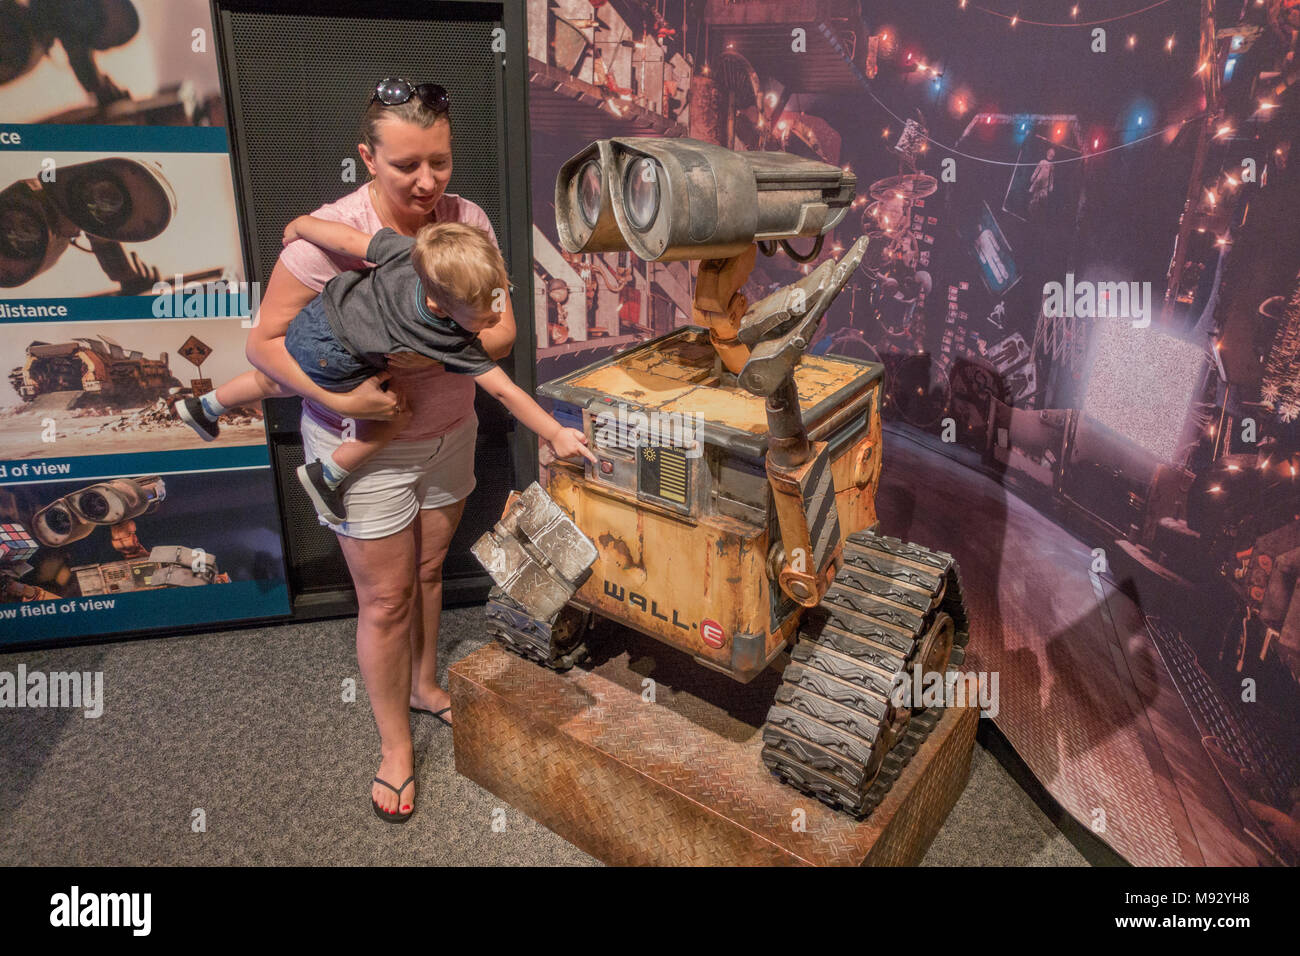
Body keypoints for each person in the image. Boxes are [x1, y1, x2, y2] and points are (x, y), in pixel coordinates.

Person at [205, 78, 527, 821]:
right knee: (383, 601)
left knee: (427, 574)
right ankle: (393, 746)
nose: (427, 183)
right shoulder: (329, 231)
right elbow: (264, 345)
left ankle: (424, 687)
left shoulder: (465, 219)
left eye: (439, 163)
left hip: (449, 434)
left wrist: (429, 353)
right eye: (407, 165)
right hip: (361, 441)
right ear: (366, 158)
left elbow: (503, 332)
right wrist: (349, 399)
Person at [177, 218, 593, 526]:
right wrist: (555, 433)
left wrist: (302, 225)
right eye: (483, 318)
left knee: (273, 380)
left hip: (313, 320)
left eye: (498, 300)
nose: (494, 319)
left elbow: (344, 238)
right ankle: (328, 473)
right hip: (338, 357)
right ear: (439, 308)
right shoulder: (444, 337)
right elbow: (505, 392)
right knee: (394, 412)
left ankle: (205, 406)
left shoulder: (411, 254)